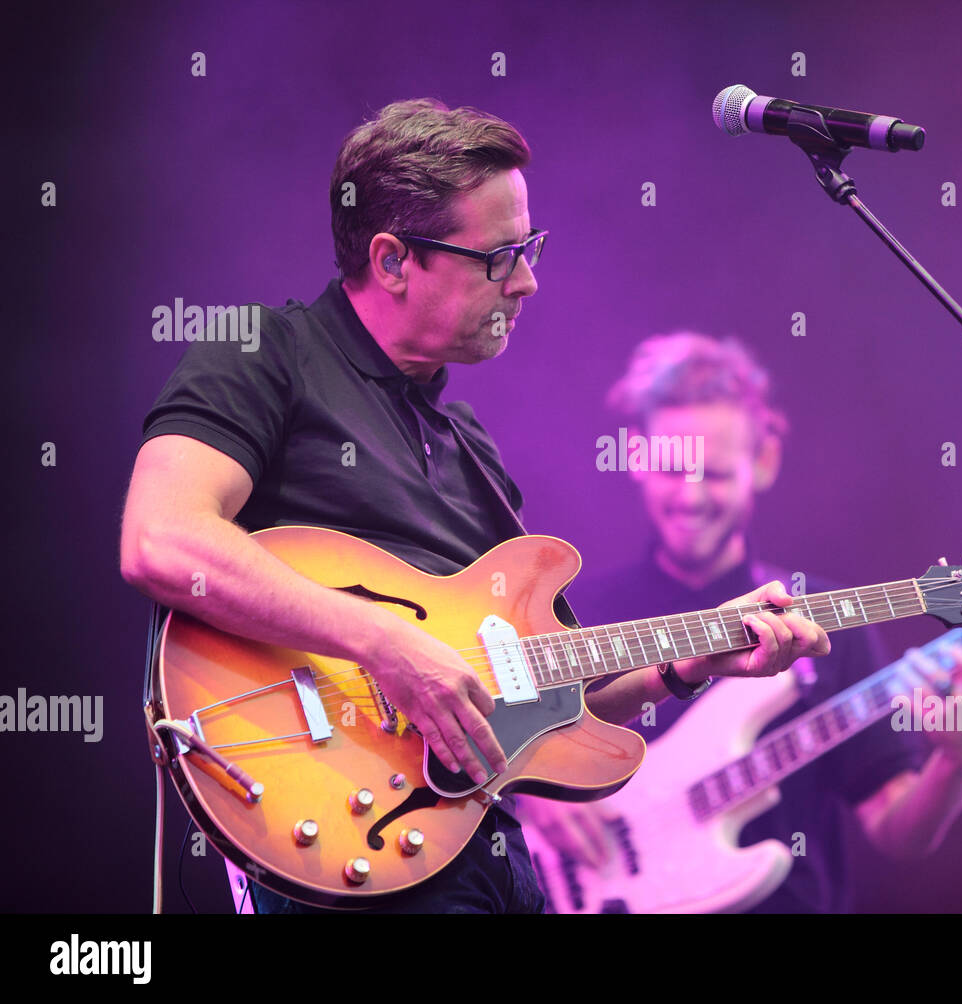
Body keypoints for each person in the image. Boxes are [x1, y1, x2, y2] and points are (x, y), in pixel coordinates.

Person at [119, 100, 830, 914]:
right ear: (391, 260)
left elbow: (535, 697)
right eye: (499, 256)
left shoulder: (471, 449)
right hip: (342, 829)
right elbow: (161, 539)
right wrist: (385, 643)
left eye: (528, 248)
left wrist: (685, 664)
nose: (527, 280)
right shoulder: (264, 356)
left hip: (481, 856)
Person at [517, 332, 962, 912]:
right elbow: (484, 740)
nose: (690, 497)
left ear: (762, 461)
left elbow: (898, 830)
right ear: (636, 457)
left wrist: (954, 762)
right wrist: (530, 790)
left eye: (713, 473)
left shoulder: (823, 619)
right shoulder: (574, 612)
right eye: (671, 468)